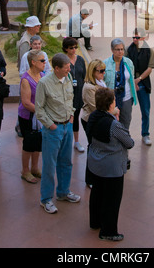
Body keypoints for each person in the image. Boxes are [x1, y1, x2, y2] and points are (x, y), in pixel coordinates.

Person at [86, 87, 134, 241]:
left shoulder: (93, 116)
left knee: (97, 194)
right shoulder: (114, 125)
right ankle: (108, 231)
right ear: (111, 104)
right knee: (112, 200)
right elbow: (129, 142)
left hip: (96, 163)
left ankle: (95, 222)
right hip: (112, 167)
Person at [35, 53, 80, 214]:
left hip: (67, 126)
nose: (69, 68)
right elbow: (39, 109)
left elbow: (71, 99)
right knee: (49, 165)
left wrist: (72, 116)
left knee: (66, 162)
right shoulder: (44, 83)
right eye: (66, 66)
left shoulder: (67, 78)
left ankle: (63, 192)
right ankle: (46, 199)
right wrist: (51, 126)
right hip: (52, 130)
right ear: (56, 68)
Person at [18, 50, 45, 183]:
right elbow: (26, 103)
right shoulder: (26, 79)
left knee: (38, 142)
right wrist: (42, 112)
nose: (45, 63)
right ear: (33, 62)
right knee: (29, 143)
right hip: (28, 117)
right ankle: (25, 170)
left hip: (39, 116)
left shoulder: (42, 75)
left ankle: (34, 168)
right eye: (42, 60)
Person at [127, 28, 154, 145]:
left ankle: (145, 134)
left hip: (143, 83)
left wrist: (138, 80)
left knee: (145, 110)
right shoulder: (129, 49)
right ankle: (125, 134)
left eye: (137, 37)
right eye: (133, 37)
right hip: (130, 83)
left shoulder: (149, 51)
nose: (135, 39)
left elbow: (150, 68)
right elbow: (125, 64)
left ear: (143, 38)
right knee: (126, 111)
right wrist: (132, 82)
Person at [81, 59, 107, 186]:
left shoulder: (100, 83)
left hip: (100, 120)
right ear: (92, 72)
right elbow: (96, 107)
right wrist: (113, 111)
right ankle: (90, 179)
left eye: (104, 71)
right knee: (93, 148)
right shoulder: (89, 87)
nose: (103, 73)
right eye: (101, 71)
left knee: (98, 148)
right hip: (90, 120)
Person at [104, 38, 137, 132]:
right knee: (111, 123)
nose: (120, 52)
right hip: (111, 99)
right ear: (112, 50)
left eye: (122, 49)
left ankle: (124, 143)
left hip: (126, 97)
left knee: (126, 121)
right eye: (117, 49)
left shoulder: (128, 62)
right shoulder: (105, 63)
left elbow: (131, 78)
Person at [63, 37, 86, 152]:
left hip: (79, 94)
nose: (74, 50)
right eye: (71, 48)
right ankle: (65, 141)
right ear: (66, 49)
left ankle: (76, 141)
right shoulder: (63, 61)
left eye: (75, 47)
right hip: (67, 94)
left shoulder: (80, 60)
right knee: (67, 118)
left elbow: (84, 75)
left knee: (76, 116)